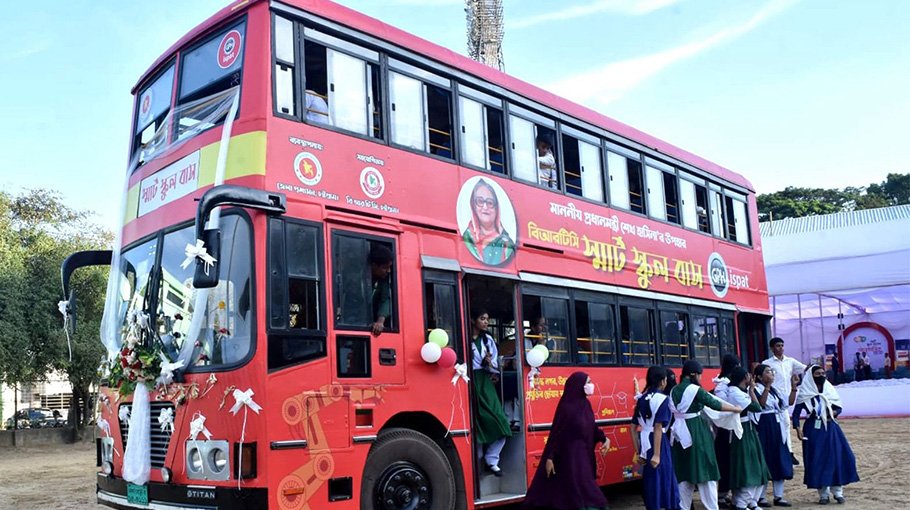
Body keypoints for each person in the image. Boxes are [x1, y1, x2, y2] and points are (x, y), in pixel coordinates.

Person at [523, 372, 609, 510]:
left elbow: (591, 426)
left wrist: (603, 438)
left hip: (584, 454)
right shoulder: (567, 407)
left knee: (577, 489)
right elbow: (558, 433)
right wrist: (550, 457)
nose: (590, 385)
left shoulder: (585, 404)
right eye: (587, 382)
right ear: (578, 386)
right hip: (570, 455)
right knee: (584, 488)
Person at [670, 360, 743, 510]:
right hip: (696, 431)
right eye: (700, 375)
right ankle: (711, 507)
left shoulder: (674, 390)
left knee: (684, 473)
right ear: (693, 374)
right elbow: (715, 404)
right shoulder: (694, 390)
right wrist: (735, 409)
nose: (701, 378)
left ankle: (682, 506)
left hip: (678, 434)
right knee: (706, 470)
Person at [793, 365, 860, 504]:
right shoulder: (804, 392)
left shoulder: (829, 389)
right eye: (818, 374)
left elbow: (839, 407)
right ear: (811, 377)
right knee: (818, 459)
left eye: (823, 373)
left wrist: (833, 413)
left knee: (837, 457)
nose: (822, 376)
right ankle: (823, 494)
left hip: (830, 427)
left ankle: (838, 492)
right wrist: (797, 428)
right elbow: (796, 414)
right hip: (813, 429)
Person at [469, 309, 512, 476]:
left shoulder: (488, 340)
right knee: (477, 422)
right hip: (469, 380)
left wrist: (490, 364)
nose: (486, 322)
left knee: (500, 421)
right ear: (473, 320)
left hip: (485, 382)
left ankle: (491, 458)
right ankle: (479, 458)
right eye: (482, 318)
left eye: (487, 319)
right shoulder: (462, 337)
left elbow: (495, 365)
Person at [631, 366, 679, 510]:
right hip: (658, 443)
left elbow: (633, 428)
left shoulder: (641, 398)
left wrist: (638, 451)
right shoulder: (663, 399)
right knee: (664, 477)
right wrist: (657, 455)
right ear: (663, 381)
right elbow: (658, 427)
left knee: (650, 480)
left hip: (645, 442)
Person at [725, 367, 771, 510]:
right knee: (748, 467)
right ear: (744, 378)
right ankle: (741, 502)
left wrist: (750, 390)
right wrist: (751, 390)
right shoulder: (735, 393)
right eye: (748, 376)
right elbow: (757, 407)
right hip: (743, 431)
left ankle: (750, 501)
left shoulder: (737, 391)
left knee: (753, 465)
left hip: (747, 429)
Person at [752, 364, 794, 507]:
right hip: (764, 425)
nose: (771, 373)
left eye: (771, 371)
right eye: (767, 371)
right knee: (765, 458)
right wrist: (768, 387)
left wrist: (793, 387)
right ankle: (761, 497)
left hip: (776, 425)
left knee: (778, 457)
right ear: (758, 376)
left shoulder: (775, 391)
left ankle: (779, 496)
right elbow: (761, 405)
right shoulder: (755, 389)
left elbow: (786, 404)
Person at [762, 337, 806, 464]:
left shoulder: (790, 361)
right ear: (772, 348)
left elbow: (805, 368)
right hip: (773, 400)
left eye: (782, 345)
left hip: (786, 400)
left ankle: (789, 452)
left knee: (785, 425)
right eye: (777, 346)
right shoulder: (767, 363)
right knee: (779, 426)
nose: (780, 348)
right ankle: (784, 453)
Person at [461, 178, 516, 265]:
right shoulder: (467, 238)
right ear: (473, 206)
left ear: (497, 208)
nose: (485, 207)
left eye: (490, 203)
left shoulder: (507, 244)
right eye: (480, 201)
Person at [713, 354, 741, 508]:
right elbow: (723, 405)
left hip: (733, 426)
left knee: (732, 461)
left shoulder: (731, 383)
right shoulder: (721, 385)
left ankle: (729, 492)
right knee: (725, 461)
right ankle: (722, 494)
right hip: (724, 428)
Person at [368, 244, 393, 337]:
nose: (389, 271)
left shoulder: (383, 282)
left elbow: (386, 299)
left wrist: (380, 321)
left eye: (390, 267)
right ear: (374, 266)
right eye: (385, 268)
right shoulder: (357, 279)